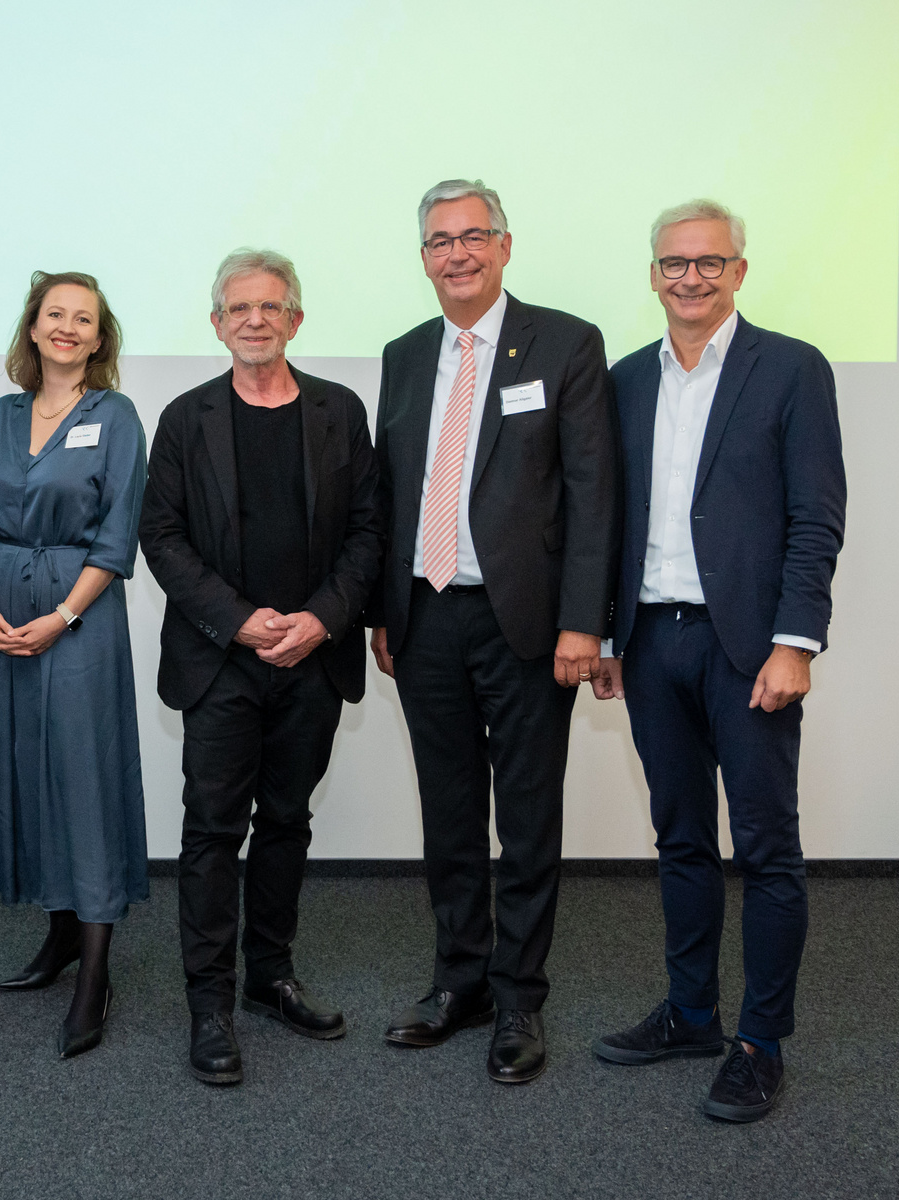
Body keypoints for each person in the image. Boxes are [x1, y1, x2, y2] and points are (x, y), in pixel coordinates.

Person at [588, 200, 846, 1122]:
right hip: (653, 642)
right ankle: (691, 1012)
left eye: (708, 262)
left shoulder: (790, 369)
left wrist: (794, 641)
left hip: (750, 651)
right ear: (651, 275)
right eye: (672, 264)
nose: (689, 278)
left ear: (739, 270)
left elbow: (816, 516)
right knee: (681, 839)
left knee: (768, 848)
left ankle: (759, 1041)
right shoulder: (623, 380)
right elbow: (609, 520)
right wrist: (611, 634)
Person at [369, 179, 618, 1084]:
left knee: (523, 817)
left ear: (505, 247)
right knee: (447, 816)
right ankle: (459, 981)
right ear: (423, 256)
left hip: (527, 623)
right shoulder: (402, 355)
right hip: (425, 615)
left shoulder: (563, 342)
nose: (458, 253)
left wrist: (583, 622)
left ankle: (519, 996)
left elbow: (594, 494)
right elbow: (388, 494)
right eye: (440, 240)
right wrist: (381, 614)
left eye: (474, 236)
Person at [139, 249, 382, 1086]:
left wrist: (320, 619)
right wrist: (240, 621)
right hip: (219, 663)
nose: (253, 319)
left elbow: (367, 534)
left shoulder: (339, 413)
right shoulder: (183, 419)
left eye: (269, 306)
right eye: (236, 308)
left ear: (295, 320)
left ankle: (269, 975)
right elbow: (160, 538)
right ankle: (208, 1002)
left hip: (311, 660)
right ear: (216, 323)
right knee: (211, 831)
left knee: (286, 823)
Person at [0, 271, 149, 1059]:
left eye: (84, 319)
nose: (68, 328)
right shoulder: (4, 416)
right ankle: (61, 936)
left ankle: (96, 970)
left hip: (77, 619)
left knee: (85, 779)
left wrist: (62, 616)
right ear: (31, 330)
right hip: (2, 614)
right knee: (29, 774)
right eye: (54, 315)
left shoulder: (116, 417)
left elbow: (117, 534)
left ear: (99, 339)